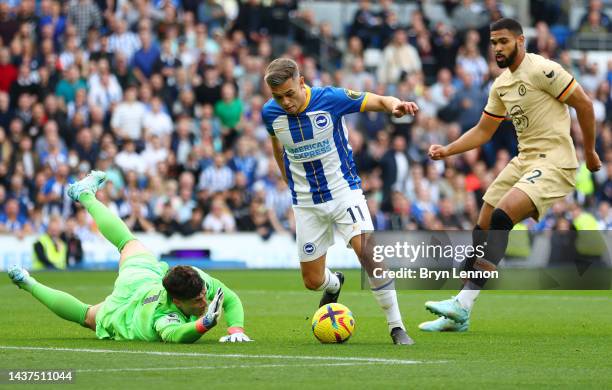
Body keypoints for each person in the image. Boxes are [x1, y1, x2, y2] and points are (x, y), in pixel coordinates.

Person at [420, 18, 602, 332]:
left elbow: (584, 104)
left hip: (554, 160)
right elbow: (483, 131)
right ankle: (460, 312)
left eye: (503, 41)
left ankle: (462, 303)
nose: (497, 48)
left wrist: (589, 152)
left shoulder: (543, 69)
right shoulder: (501, 85)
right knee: (484, 221)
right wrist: (447, 150)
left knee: (503, 217)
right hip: (524, 160)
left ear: (520, 40)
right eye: (493, 43)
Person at [262, 58, 419, 345]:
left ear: (301, 81)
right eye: (277, 97)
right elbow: (277, 148)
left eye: (289, 94)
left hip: (344, 193)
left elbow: (378, 100)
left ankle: (397, 327)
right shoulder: (270, 114)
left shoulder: (330, 98)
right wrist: (289, 181)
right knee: (312, 281)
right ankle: (334, 283)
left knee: (369, 254)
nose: (285, 102)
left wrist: (395, 105)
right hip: (306, 203)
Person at [8, 171, 252, 344]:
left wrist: (236, 329)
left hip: (144, 279)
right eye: (198, 301)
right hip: (127, 312)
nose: (204, 302)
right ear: (177, 303)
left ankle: (84, 195)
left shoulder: (196, 279)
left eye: (203, 297)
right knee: (86, 316)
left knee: (129, 242)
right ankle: (28, 283)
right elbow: (178, 335)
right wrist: (204, 323)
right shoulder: (164, 317)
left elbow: (229, 298)